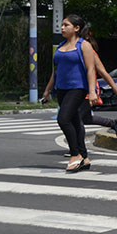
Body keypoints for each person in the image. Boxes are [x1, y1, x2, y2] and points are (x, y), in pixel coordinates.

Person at [41, 14, 98, 172]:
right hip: (62, 88)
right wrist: (47, 90)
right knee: (74, 122)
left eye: (66, 25)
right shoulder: (60, 46)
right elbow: (56, 70)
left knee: (63, 119)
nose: (62, 27)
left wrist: (92, 91)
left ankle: (75, 154)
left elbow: (91, 69)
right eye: (62, 25)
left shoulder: (83, 45)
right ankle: (85, 158)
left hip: (77, 88)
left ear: (76, 28)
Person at [77, 27, 117, 141]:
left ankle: (77, 149)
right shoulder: (70, 49)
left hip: (88, 90)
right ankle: (113, 123)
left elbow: (102, 72)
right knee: (86, 118)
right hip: (75, 89)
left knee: (75, 118)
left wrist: (115, 88)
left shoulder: (89, 52)